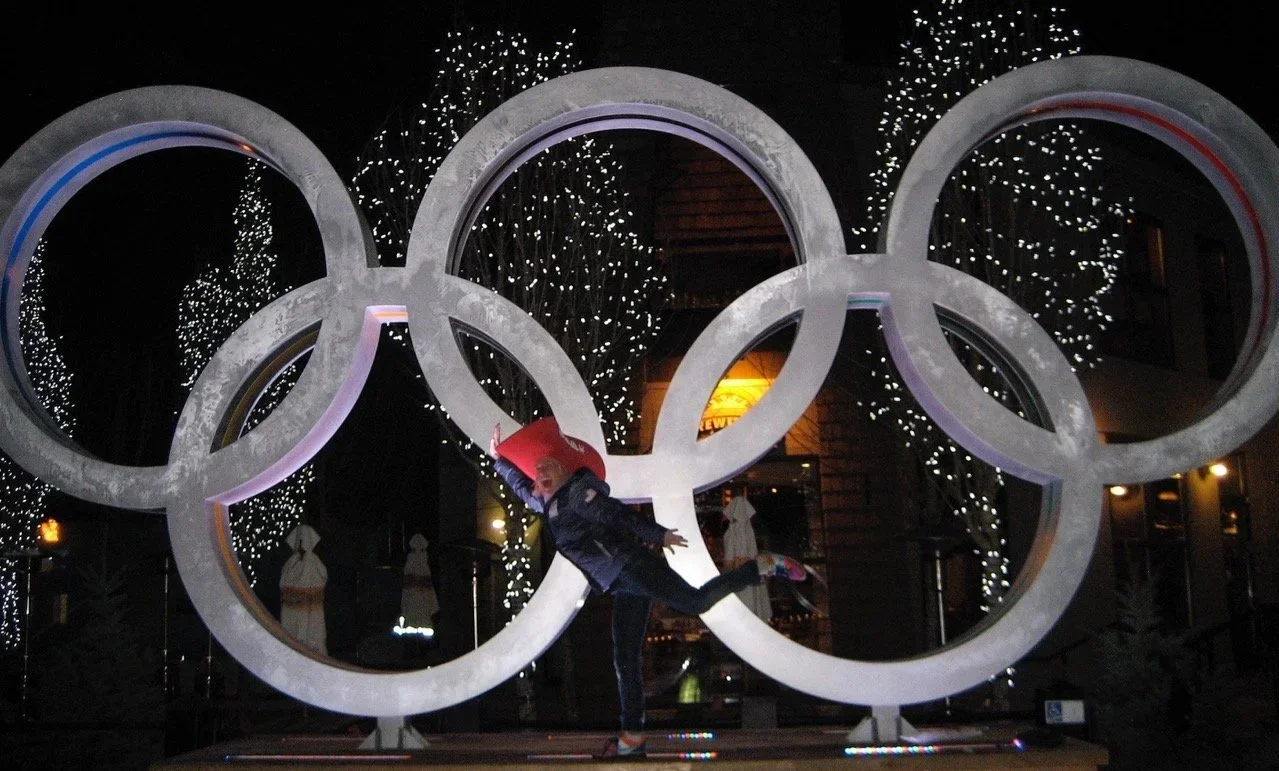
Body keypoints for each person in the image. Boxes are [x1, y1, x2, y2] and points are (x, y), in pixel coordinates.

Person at [489, 418, 809, 757]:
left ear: (563, 470)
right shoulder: (548, 504)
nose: (542, 476)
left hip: (632, 565)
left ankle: (759, 567)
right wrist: (499, 458)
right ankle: (633, 735)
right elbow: (519, 486)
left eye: (548, 469)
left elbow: (617, 515)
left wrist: (658, 535)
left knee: (695, 602)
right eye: (538, 473)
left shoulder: (578, 496)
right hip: (620, 582)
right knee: (624, 656)